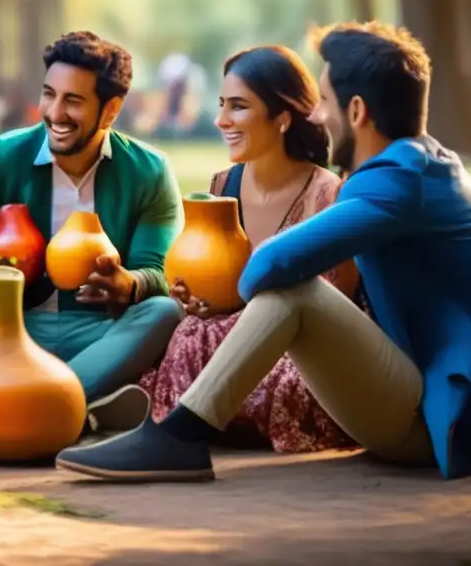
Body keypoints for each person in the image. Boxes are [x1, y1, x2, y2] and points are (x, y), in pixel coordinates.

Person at [55, 21, 471, 482]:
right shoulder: (419, 166)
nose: (316, 115)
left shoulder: (396, 184)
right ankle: (166, 424)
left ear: (357, 111)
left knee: (291, 292)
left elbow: (270, 265)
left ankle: (176, 439)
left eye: (323, 100)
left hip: (455, 429)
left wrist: (230, 292)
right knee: (282, 294)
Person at [138, 45, 362, 453]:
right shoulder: (222, 186)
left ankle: (217, 420)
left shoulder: (328, 195)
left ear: (282, 118)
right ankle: (198, 423)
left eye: (238, 107)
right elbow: (212, 281)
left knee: (288, 376)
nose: (221, 120)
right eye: (222, 104)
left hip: (300, 346)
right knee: (189, 332)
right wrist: (201, 301)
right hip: (232, 334)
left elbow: (336, 306)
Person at [0, 31, 184, 426]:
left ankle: (42, 408)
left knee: (163, 312)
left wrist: (128, 284)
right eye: (49, 94)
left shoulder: (150, 171)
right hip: (19, 329)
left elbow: (158, 273)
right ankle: (81, 407)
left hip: (102, 333)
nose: (55, 112)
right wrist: (19, 270)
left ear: (111, 110)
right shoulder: (4, 156)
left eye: (73, 101)